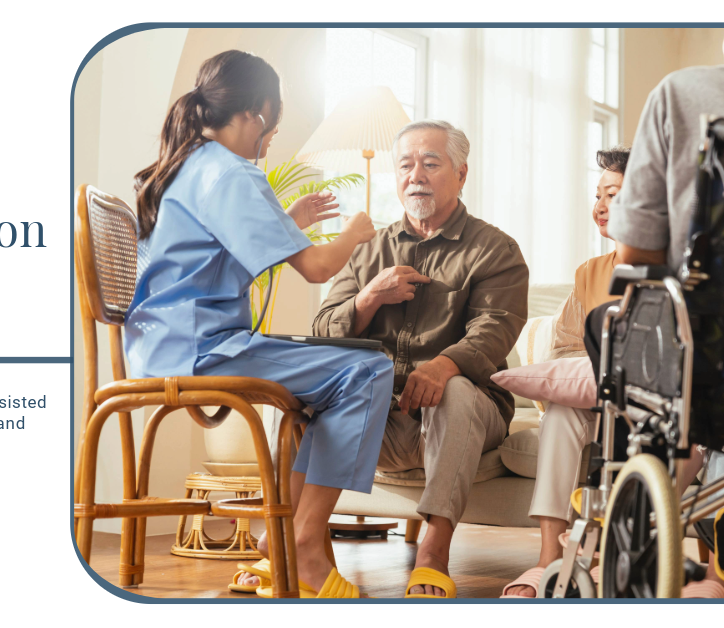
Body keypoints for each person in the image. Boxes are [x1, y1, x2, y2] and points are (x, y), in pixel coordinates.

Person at [126, 50, 394, 598]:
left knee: (334, 381)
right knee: (368, 369)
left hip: (161, 346)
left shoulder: (185, 164)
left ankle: (285, 540)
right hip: (204, 348)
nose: (269, 139)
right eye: (271, 125)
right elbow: (317, 267)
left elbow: (215, 253)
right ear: (254, 112)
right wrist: (356, 232)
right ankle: (304, 544)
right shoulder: (230, 171)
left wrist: (289, 221)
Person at [312, 119, 529, 598]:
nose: (416, 175)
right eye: (406, 165)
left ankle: (433, 552)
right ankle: (300, 548)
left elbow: (496, 329)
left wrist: (444, 364)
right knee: (303, 386)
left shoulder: (496, 249)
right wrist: (367, 298)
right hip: (380, 420)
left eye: (431, 164)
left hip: (463, 414)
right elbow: (324, 326)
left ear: (461, 173)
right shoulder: (367, 250)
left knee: (453, 388)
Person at [582, 27, 724, 599]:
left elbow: (636, 254)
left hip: (714, 355)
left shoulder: (683, 93)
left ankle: (648, 468)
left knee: (608, 321)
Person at [500, 147, 629, 598]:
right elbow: (567, 348)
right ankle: (549, 559)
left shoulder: (675, 270)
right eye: (598, 195)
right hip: (595, 403)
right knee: (560, 414)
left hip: (651, 408)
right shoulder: (590, 273)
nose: (599, 207)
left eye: (612, 194)